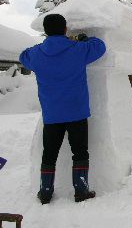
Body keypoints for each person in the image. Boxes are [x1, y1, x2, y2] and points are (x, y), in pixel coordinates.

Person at [19, 14, 106, 204]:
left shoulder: (37, 54)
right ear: (65, 29)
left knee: (49, 154)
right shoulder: (78, 49)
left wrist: (41, 46)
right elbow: (100, 46)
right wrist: (85, 38)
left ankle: (45, 192)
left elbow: (23, 56)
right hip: (77, 111)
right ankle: (81, 191)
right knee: (80, 152)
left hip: (52, 114)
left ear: (46, 31)